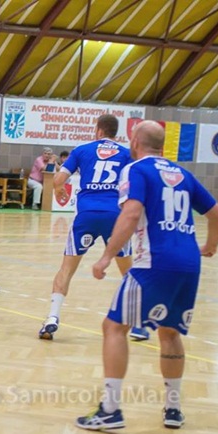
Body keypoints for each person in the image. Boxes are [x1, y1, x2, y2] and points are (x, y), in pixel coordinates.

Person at [75, 121, 218, 431]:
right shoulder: (183, 173)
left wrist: (106, 256)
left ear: (134, 142)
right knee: (169, 332)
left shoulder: (136, 169)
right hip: (189, 263)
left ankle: (110, 410)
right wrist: (210, 246)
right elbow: (217, 215)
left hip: (153, 262)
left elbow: (130, 214)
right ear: (162, 145)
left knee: (113, 327)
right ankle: (173, 409)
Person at [38, 115, 150, 341]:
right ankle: (138, 325)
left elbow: (58, 179)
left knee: (66, 269)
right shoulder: (126, 153)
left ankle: (52, 317)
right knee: (127, 272)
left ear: (98, 130)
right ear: (115, 132)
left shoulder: (81, 150)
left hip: (86, 215)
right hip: (115, 217)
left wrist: (59, 190)